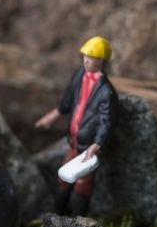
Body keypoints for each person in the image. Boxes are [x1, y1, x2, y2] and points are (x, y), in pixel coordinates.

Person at [35, 36, 119, 216]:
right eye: (85, 56)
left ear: (101, 60)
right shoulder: (79, 75)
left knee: (83, 184)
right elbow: (67, 100)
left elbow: (107, 122)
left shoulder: (107, 92)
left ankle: (79, 221)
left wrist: (97, 144)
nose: (86, 60)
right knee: (64, 177)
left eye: (91, 57)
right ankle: (57, 215)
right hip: (73, 141)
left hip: (87, 147)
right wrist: (52, 117)